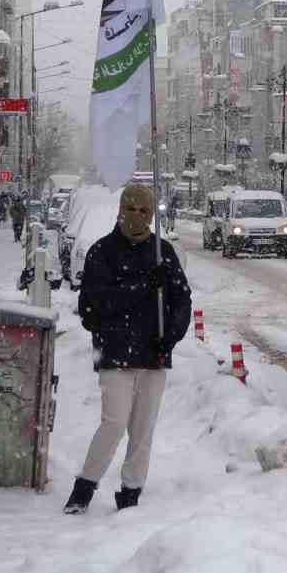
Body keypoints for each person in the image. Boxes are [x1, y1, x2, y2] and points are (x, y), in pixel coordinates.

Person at [63, 184, 191, 515]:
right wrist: (143, 285)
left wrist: (171, 336)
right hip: (115, 354)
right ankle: (84, 487)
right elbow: (97, 305)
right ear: (121, 210)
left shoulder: (162, 253)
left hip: (153, 355)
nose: (137, 216)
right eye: (131, 209)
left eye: (144, 211)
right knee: (114, 423)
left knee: (143, 429)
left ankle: (131, 491)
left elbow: (182, 300)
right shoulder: (102, 252)